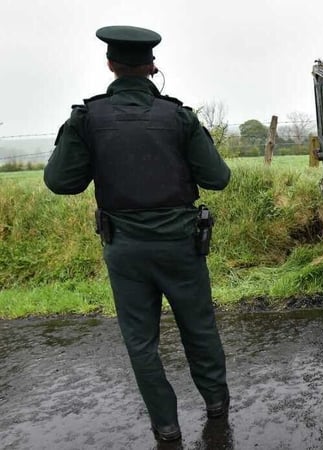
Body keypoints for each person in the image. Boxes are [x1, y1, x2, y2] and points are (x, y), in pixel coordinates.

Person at [44, 25, 230, 442]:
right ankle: (217, 405)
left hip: (125, 250)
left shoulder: (87, 119)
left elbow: (60, 182)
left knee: (140, 342)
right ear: (152, 67)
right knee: (199, 328)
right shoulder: (178, 117)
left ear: (110, 65)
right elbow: (218, 178)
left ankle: (166, 427)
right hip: (182, 247)